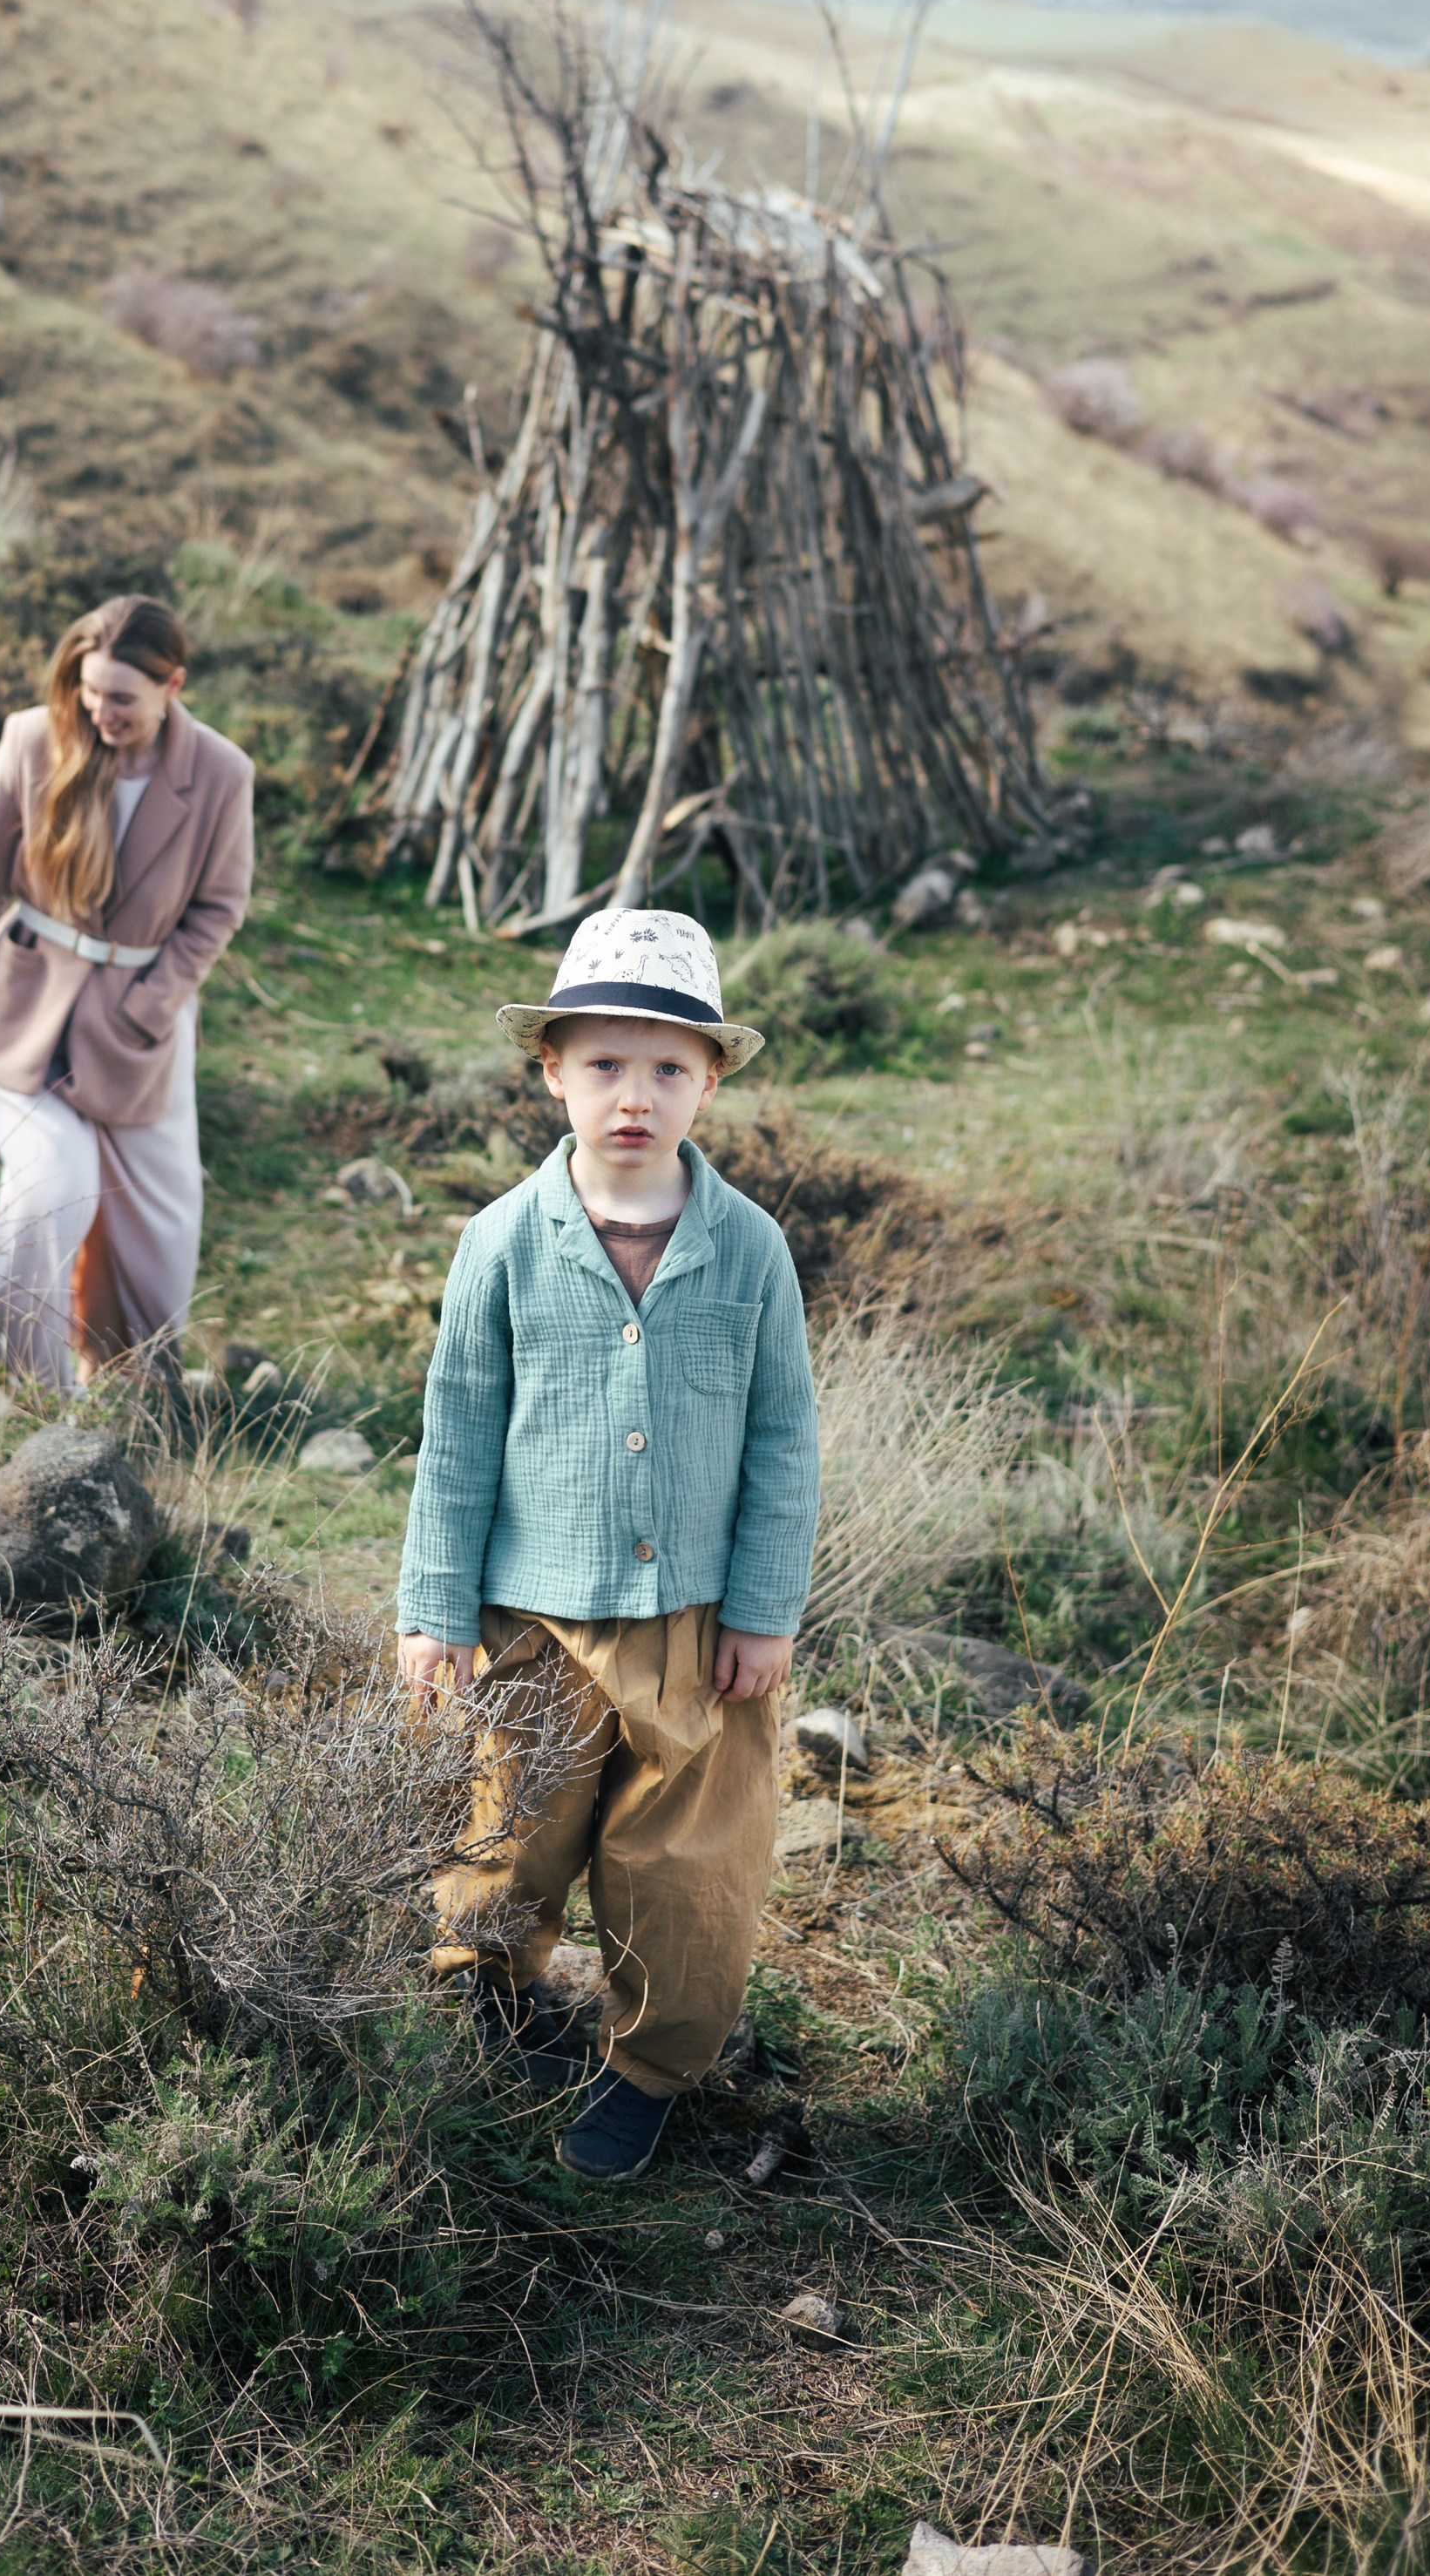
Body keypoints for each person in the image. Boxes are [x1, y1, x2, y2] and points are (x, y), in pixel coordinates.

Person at [396, 908, 821, 2185]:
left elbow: (784, 1443)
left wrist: (762, 1608)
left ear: (711, 1080)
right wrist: (435, 1605)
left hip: (696, 1624)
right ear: (551, 1072)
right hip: (528, 1615)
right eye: (603, 1066)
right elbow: (458, 1432)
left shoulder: (749, 1249)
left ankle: (649, 2068)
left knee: (684, 1865)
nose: (634, 1096)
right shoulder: (503, 1243)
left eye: (668, 1069)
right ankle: (494, 1998)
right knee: (509, 1826)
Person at [0, 594, 254, 1390]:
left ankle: (137, 1389)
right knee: (51, 1180)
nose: (100, 711)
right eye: (89, 691)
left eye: (122, 698)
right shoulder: (32, 739)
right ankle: (41, 1389)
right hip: (22, 1016)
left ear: (174, 686)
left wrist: (151, 1003)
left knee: (160, 1232)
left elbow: (219, 908)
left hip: (141, 1033)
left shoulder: (224, 774)